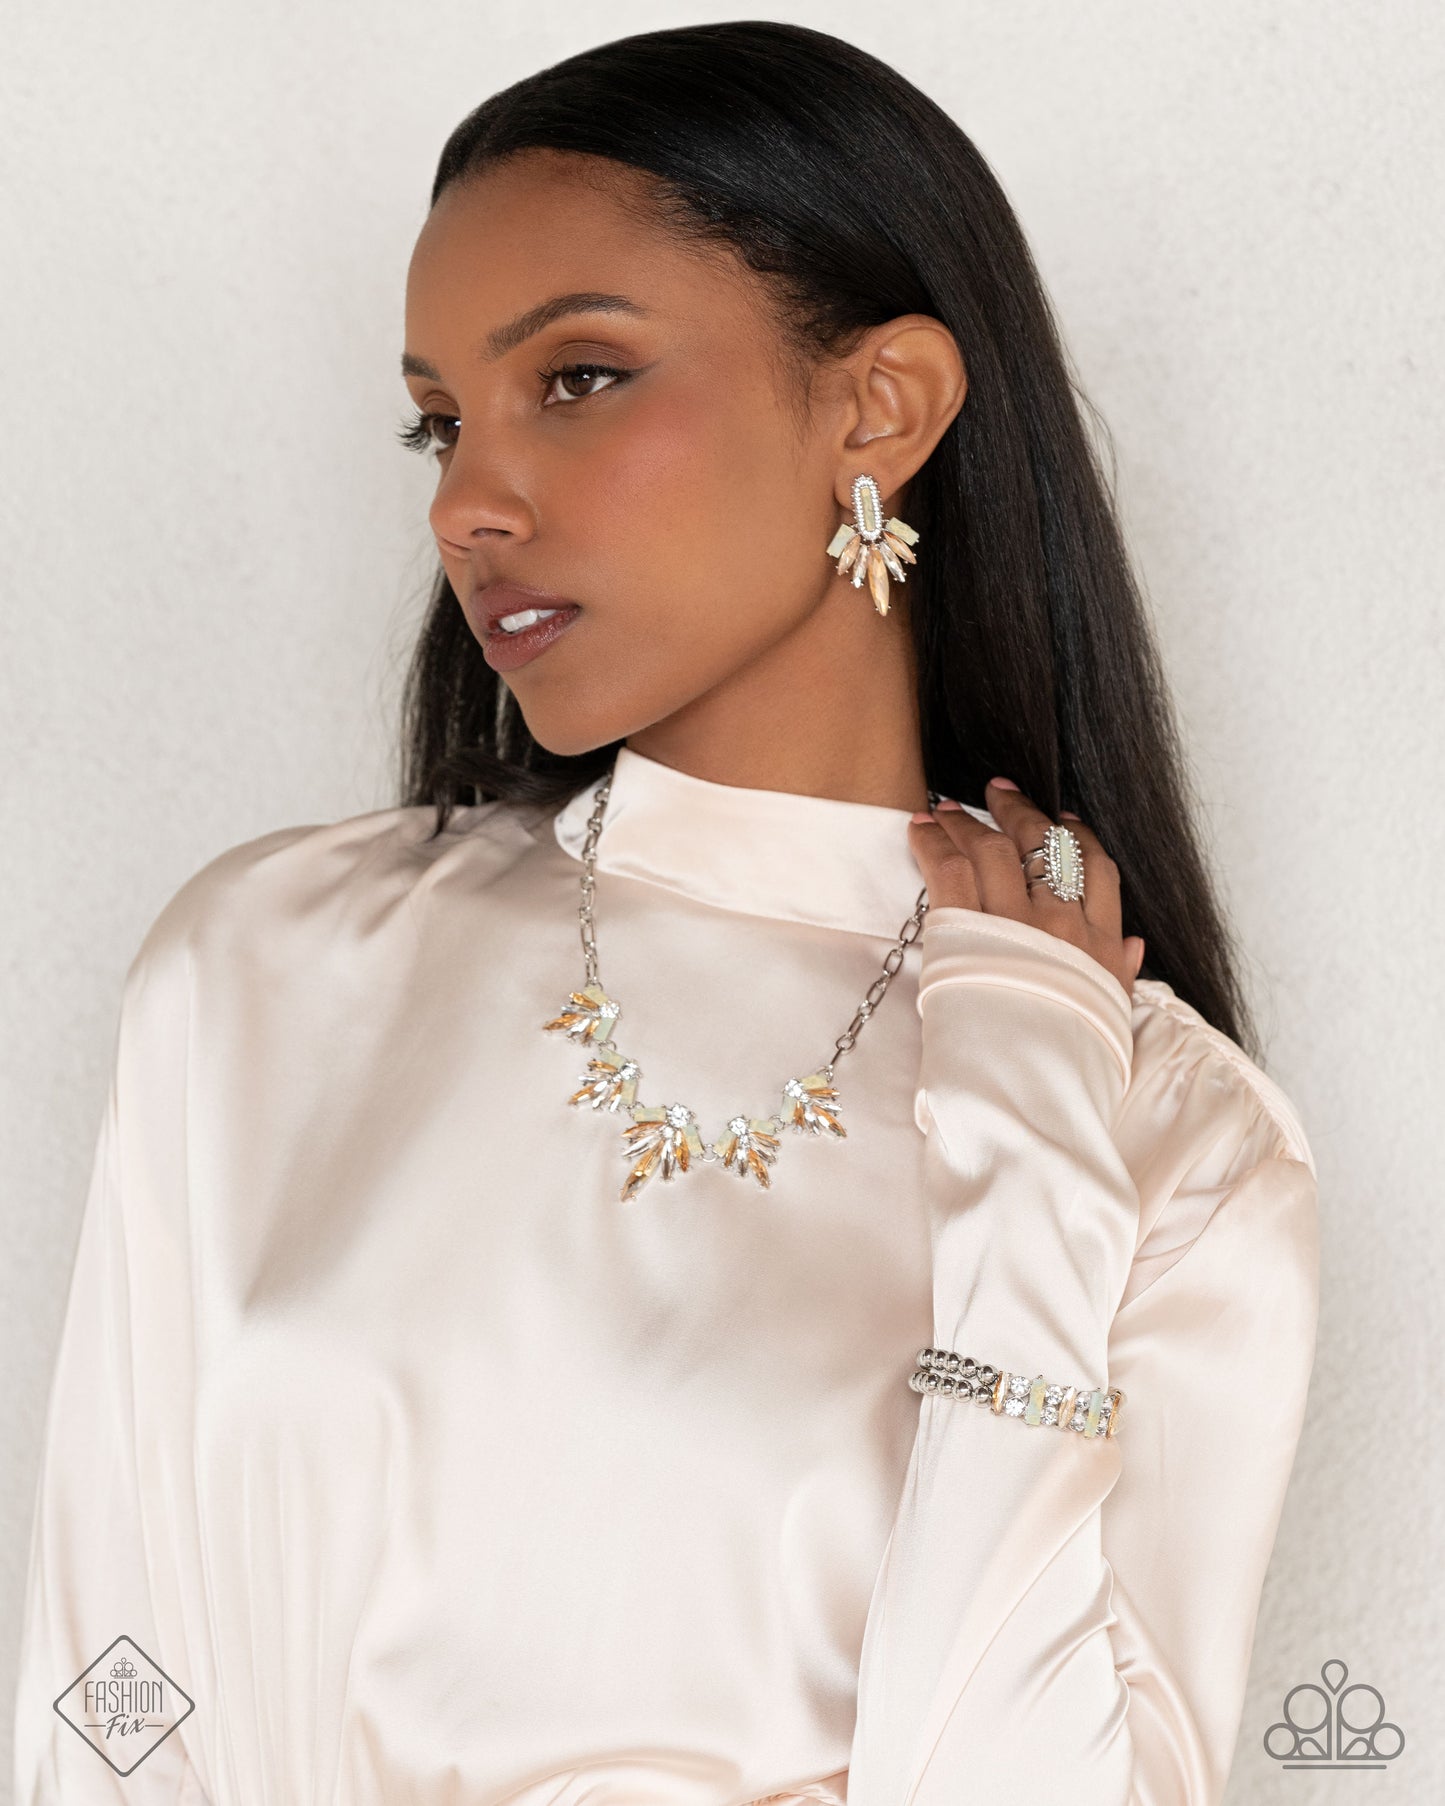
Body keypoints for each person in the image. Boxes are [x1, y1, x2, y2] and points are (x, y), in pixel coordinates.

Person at [11, 21, 1319, 1806]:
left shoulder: (1166, 1138)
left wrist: (1027, 1119)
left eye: (578, 378)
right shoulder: (265, 967)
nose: (466, 502)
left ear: (880, 407)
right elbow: (109, 1700)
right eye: (439, 421)